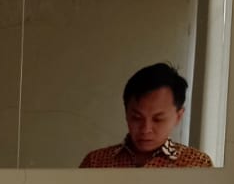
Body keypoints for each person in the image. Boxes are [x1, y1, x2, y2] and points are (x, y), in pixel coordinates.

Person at [79, 62, 213, 169]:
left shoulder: (196, 165)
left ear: (178, 117)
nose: (145, 129)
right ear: (126, 113)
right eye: (137, 118)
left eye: (158, 119)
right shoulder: (95, 162)